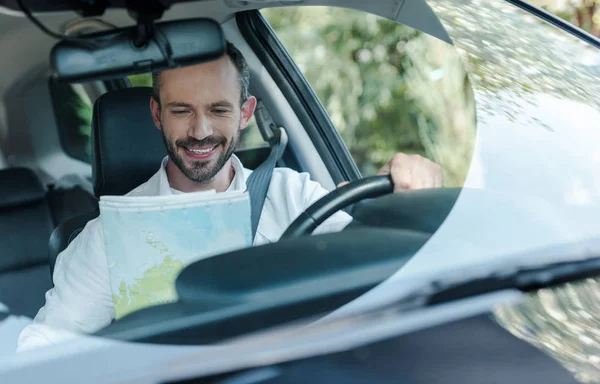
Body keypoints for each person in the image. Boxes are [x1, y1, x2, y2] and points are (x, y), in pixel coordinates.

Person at [17, 42, 443, 351]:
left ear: (245, 112)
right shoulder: (107, 235)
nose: (200, 131)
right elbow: (47, 346)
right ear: (156, 114)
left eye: (218, 110)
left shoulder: (293, 194)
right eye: (181, 110)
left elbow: (384, 272)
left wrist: (410, 204)